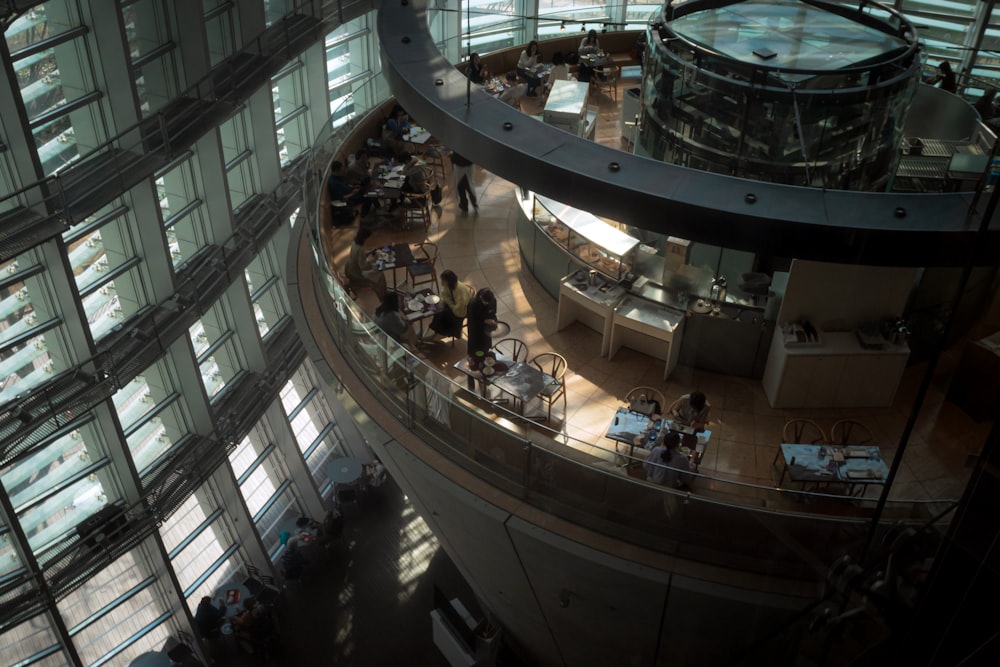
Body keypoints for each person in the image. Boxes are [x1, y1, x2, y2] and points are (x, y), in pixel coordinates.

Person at [424, 269, 475, 341]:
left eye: (443, 280)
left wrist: (450, 305)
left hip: (463, 310)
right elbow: (445, 295)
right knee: (438, 312)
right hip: (454, 305)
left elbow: (459, 309)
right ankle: (437, 332)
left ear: (448, 281)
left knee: (446, 316)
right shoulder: (450, 286)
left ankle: (442, 333)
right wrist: (450, 303)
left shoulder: (459, 290)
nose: (441, 282)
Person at [344, 227, 387, 298]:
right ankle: (383, 295)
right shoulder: (360, 249)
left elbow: (359, 257)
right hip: (356, 273)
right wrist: (369, 260)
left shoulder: (355, 242)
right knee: (380, 275)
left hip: (349, 269)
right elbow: (364, 267)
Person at [328, 160, 368, 225]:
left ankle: (375, 209)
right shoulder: (333, 183)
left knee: (367, 188)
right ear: (336, 171)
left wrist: (353, 186)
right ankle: (364, 215)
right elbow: (342, 198)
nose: (343, 171)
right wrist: (353, 193)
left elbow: (346, 185)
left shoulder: (339, 177)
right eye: (341, 170)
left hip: (351, 193)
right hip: (350, 199)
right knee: (367, 197)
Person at [466, 287, 498, 358]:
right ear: (481, 297)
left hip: (486, 330)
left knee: (486, 348)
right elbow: (471, 318)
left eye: (488, 302)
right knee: (474, 350)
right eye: (485, 301)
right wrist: (484, 320)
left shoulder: (493, 301)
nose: (486, 303)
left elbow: (493, 313)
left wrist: (494, 321)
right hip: (475, 330)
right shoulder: (473, 304)